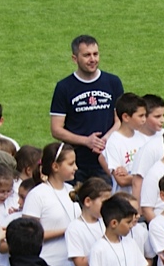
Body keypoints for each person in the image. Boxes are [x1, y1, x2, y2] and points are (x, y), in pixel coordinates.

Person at [49, 35, 124, 180]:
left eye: (95, 54)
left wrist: (105, 139)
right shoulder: (64, 87)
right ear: (75, 58)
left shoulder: (113, 82)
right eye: (87, 55)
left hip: (106, 159)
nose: (92, 59)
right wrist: (86, 141)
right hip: (75, 163)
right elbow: (56, 129)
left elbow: (121, 120)